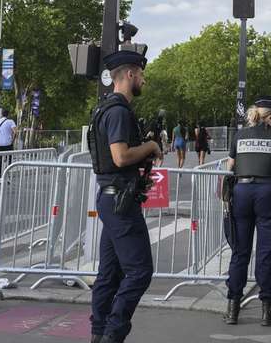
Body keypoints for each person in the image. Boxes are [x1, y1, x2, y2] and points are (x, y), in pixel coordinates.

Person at [88, 50, 163, 343]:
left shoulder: (105, 108)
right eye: (141, 74)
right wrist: (150, 147)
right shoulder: (119, 112)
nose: (144, 80)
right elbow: (120, 157)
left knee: (109, 273)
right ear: (130, 74)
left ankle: (98, 334)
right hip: (120, 201)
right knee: (140, 272)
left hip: (111, 198)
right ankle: (112, 334)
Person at [224, 96, 271, 327]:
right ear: (270, 117)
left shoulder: (240, 135)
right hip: (267, 193)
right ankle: (267, 310)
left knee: (240, 252)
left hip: (241, 192)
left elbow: (230, 166)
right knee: (266, 253)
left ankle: (232, 308)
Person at [0, 107, 17, 177]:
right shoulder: (11, 121)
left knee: (0, 161)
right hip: (8, 144)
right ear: (8, 115)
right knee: (9, 160)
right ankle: (6, 175)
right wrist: (12, 141)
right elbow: (15, 132)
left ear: (1, 114)